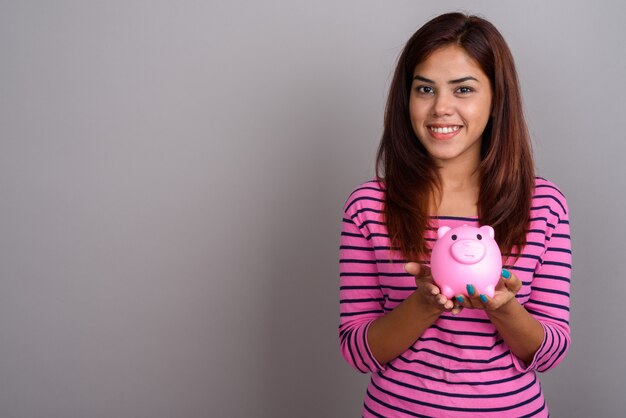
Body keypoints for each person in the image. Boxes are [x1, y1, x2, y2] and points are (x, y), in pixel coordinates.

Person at [338, 12, 571, 417]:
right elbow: (358, 352)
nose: (440, 108)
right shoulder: (369, 205)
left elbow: (549, 353)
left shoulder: (543, 205)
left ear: (497, 99)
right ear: (406, 98)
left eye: (463, 89)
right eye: (424, 88)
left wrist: (503, 307)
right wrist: (424, 305)